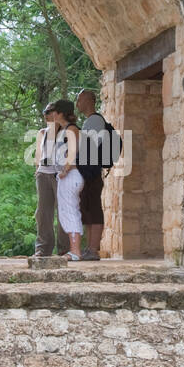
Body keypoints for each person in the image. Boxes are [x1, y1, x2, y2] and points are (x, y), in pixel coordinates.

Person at [75, 89, 108, 261]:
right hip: (88, 171)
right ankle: (89, 248)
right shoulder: (90, 121)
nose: (77, 104)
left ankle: (93, 249)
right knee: (87, 210)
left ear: (88, 100)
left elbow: (89, 146)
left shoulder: (95, 120)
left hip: (92, 171)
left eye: (79, 100)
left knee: (94, 209)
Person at [52, 99, 84, 262]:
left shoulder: (71, 130)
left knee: (70, 210)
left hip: (71, 175)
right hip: (65, 175)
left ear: (61, 113)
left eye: (55, 111)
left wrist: (65, 170)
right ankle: (74, 249)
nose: (53, 115)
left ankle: (75, 250)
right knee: (65, 211)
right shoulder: (64, 130)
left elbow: (72, 153)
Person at [33, 103, 67, 257]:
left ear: (57, 113)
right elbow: (38, 156)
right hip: (43, 173)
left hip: (60, 175)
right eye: (43, 112)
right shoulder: (42, 132)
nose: (45, 114)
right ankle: (43, 249)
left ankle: (65, 249)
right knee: (43, 213)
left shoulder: (67, 132)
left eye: (48, 111)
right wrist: (38, 171)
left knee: (63, 212)